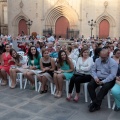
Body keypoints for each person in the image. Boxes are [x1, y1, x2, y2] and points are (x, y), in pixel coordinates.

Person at [87, 47, 118, 112]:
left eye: (104, 57)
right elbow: (93, 70)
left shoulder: (113, 63)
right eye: (101, 57)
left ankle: (94, 104)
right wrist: (95, 78)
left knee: (104, 88)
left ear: (108, 55)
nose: (102, 59)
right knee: (90, 85)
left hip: (109, 79)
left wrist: (103, 82)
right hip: (98, 78)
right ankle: (96, 104)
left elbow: (112, 75)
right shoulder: (97, 60)